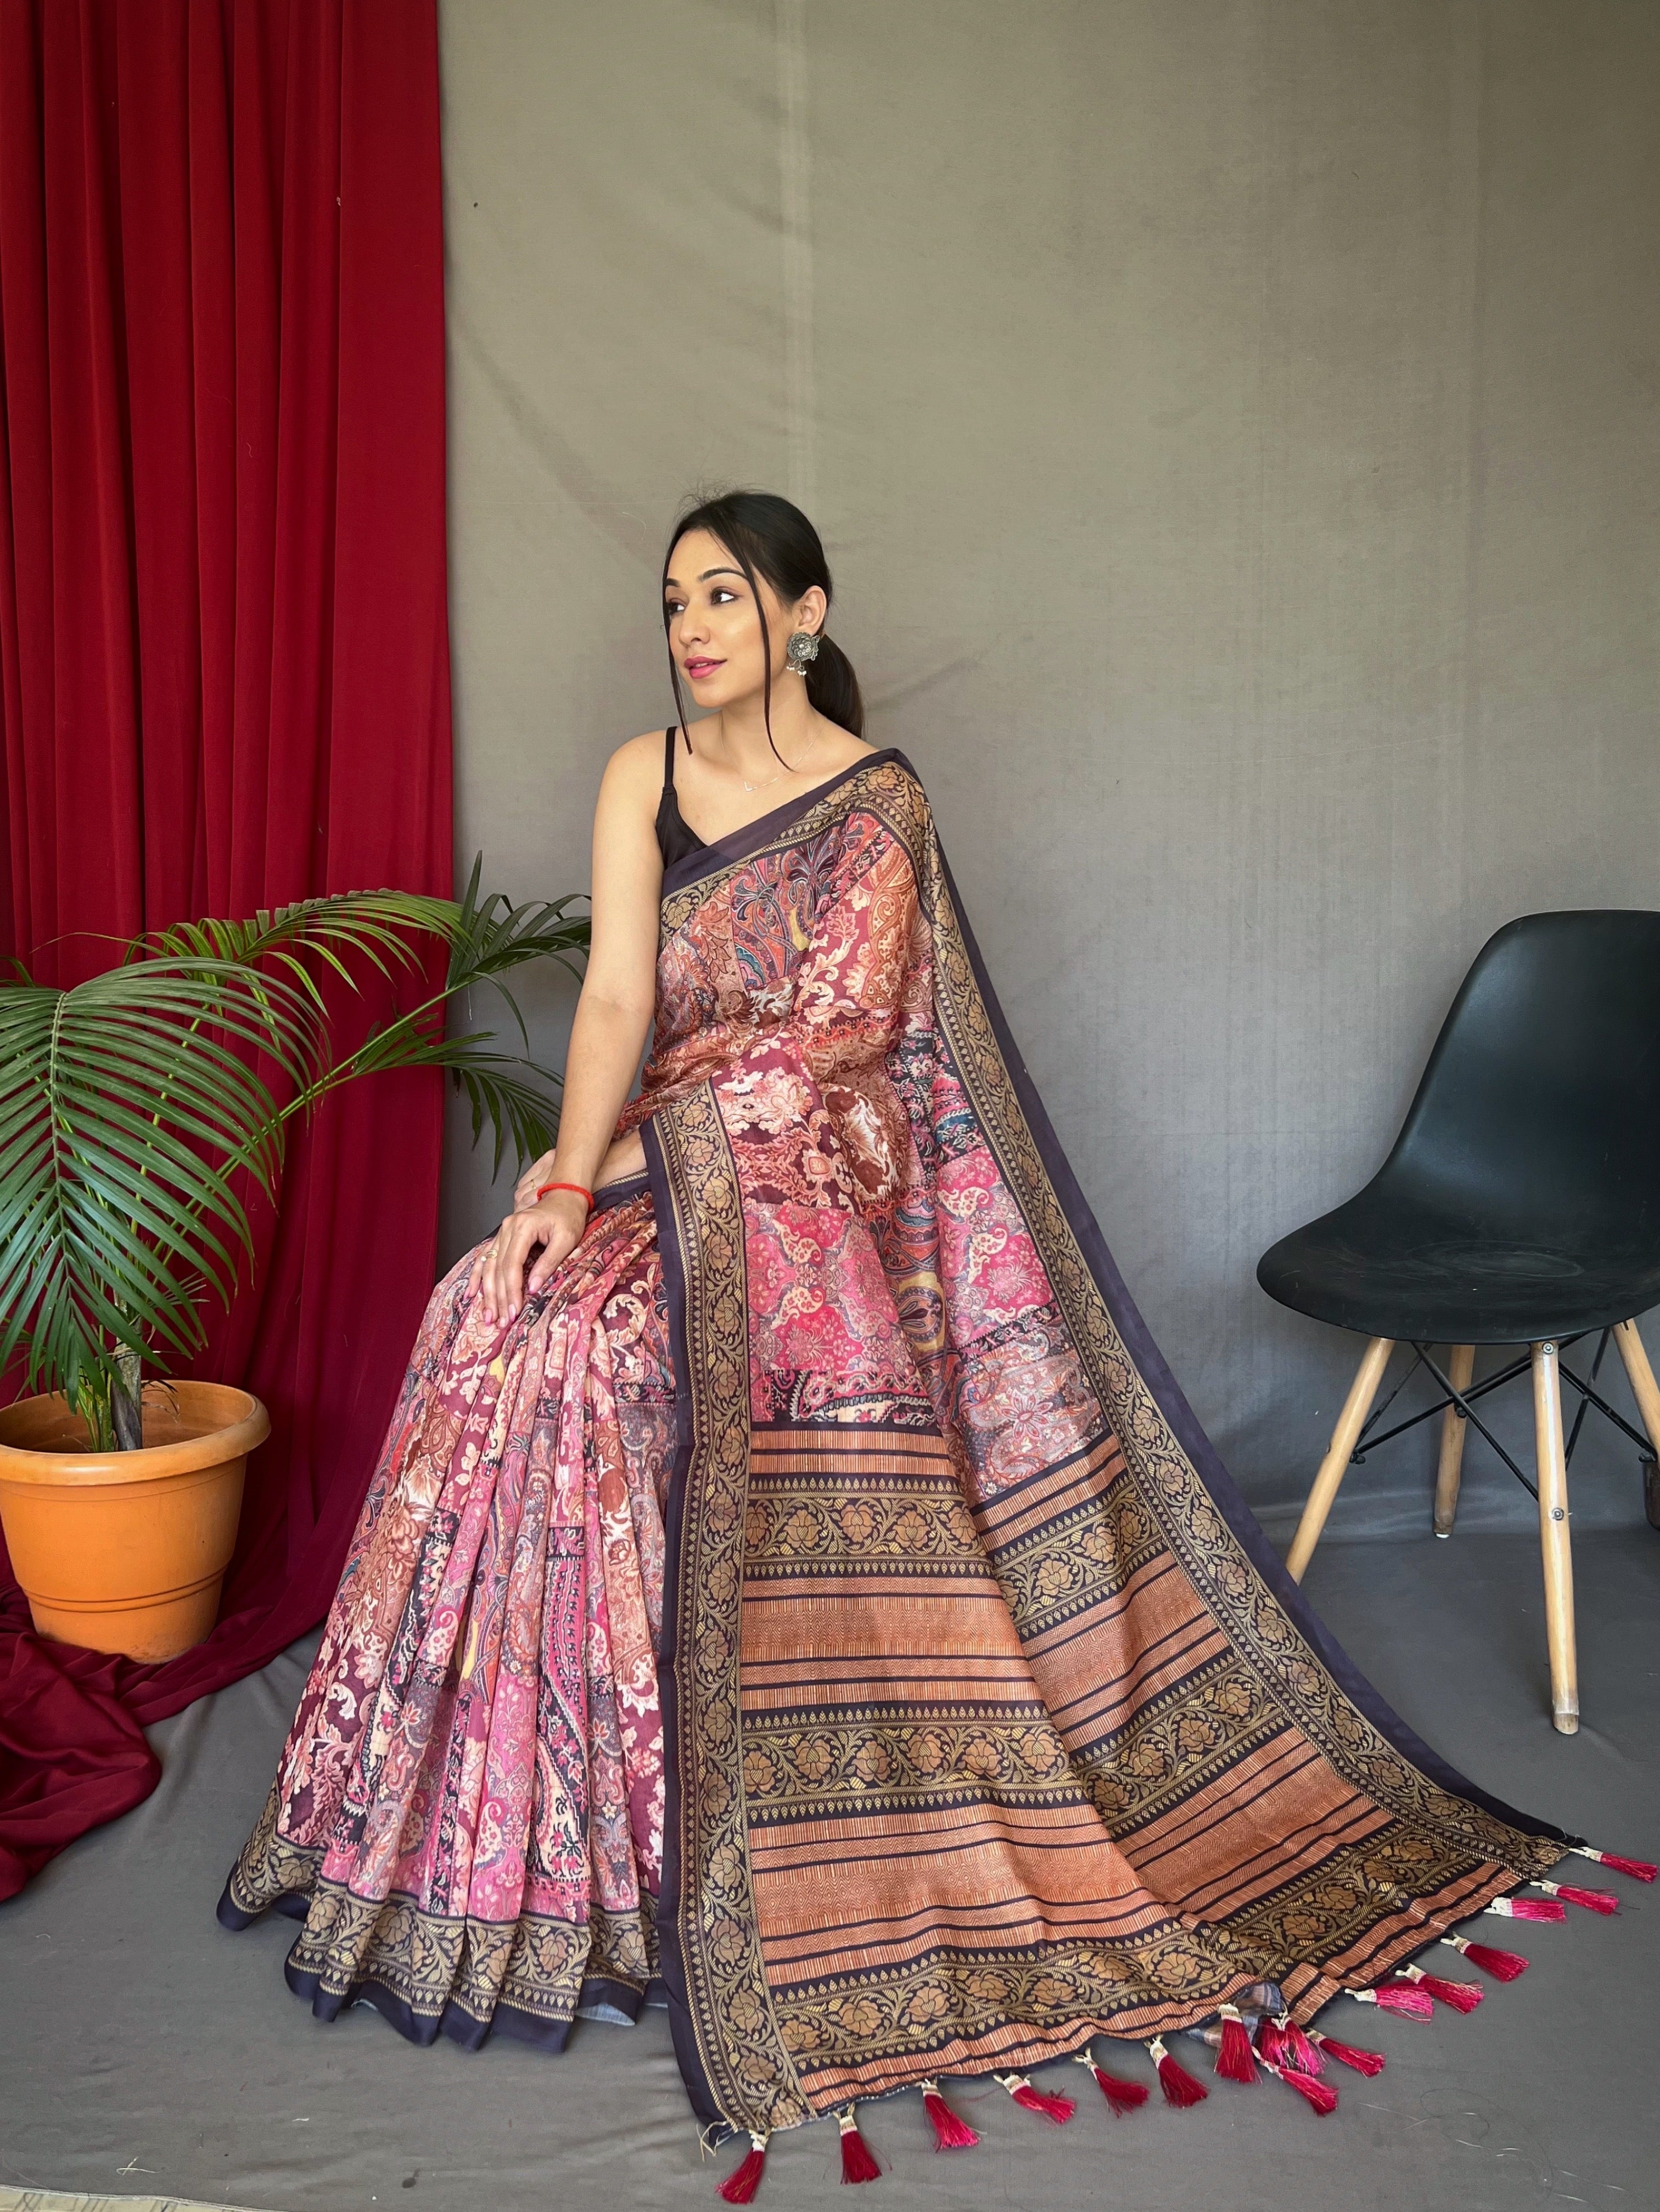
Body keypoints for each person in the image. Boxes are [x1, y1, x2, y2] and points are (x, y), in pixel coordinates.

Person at [219, 490, 1616, 2194]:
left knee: (592, 1361)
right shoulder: (636, 777)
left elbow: (827, 1053)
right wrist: (567, 1185)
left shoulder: (877, 806)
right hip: (667, 1162)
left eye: (725, 597)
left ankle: (676, 1833)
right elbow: (609, 1004)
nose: (693, 629)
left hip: (809, 1189)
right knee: (496, 1312)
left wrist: (661, 1167)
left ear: (805, 615)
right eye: (675, 601)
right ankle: (528, 1850)